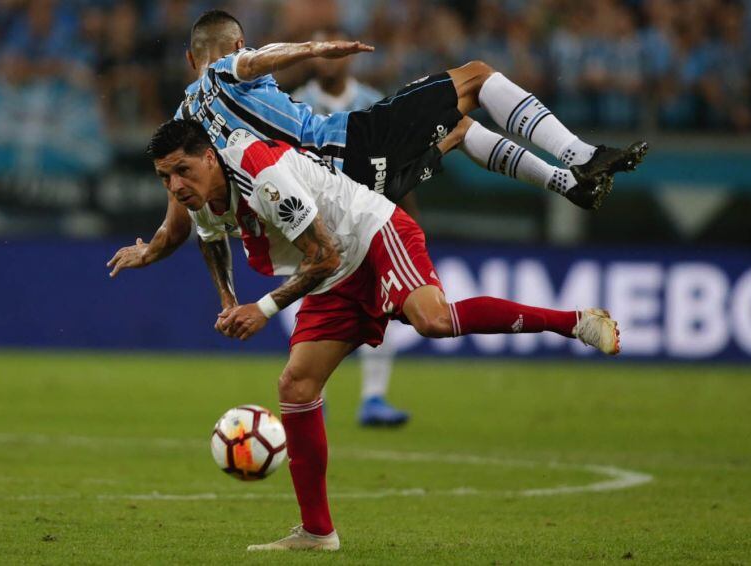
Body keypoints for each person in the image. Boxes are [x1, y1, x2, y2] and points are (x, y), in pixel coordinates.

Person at [120, 118, 622, 551]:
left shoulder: (262, 175)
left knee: (432, 319)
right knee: (295, 386)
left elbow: (326, 255)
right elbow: (211, 243)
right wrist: (229, 302)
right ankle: (317, 533)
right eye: (165, 178)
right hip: (332, 272)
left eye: (182, 171)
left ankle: (575, 322)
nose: (176, 186)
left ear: (209, 157)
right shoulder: (197, 196)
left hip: (369, 234)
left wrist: (265, 308)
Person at [107, 10, 648, 286]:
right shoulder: (228, 70)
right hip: (351, 151)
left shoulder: (185, 138)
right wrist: (318, 48)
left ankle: (569, 185)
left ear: (187, 58)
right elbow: (261, 59)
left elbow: (179, 220)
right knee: (477, 78)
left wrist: (147, 252)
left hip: (339, 202)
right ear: (233, 46)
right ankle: (580, 156)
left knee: (456, 130)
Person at [293, 27, 408, 427]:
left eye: (334, 52)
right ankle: (312, 394)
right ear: (311, 57)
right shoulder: (294, 104)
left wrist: (408, 218)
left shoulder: (372, 104)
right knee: (314, 309)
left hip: (367, 220)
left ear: (349, 56)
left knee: (382, 304)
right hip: (311, 226)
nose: (328, 59)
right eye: (320, 52)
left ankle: (374, 397)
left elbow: (396, 169)